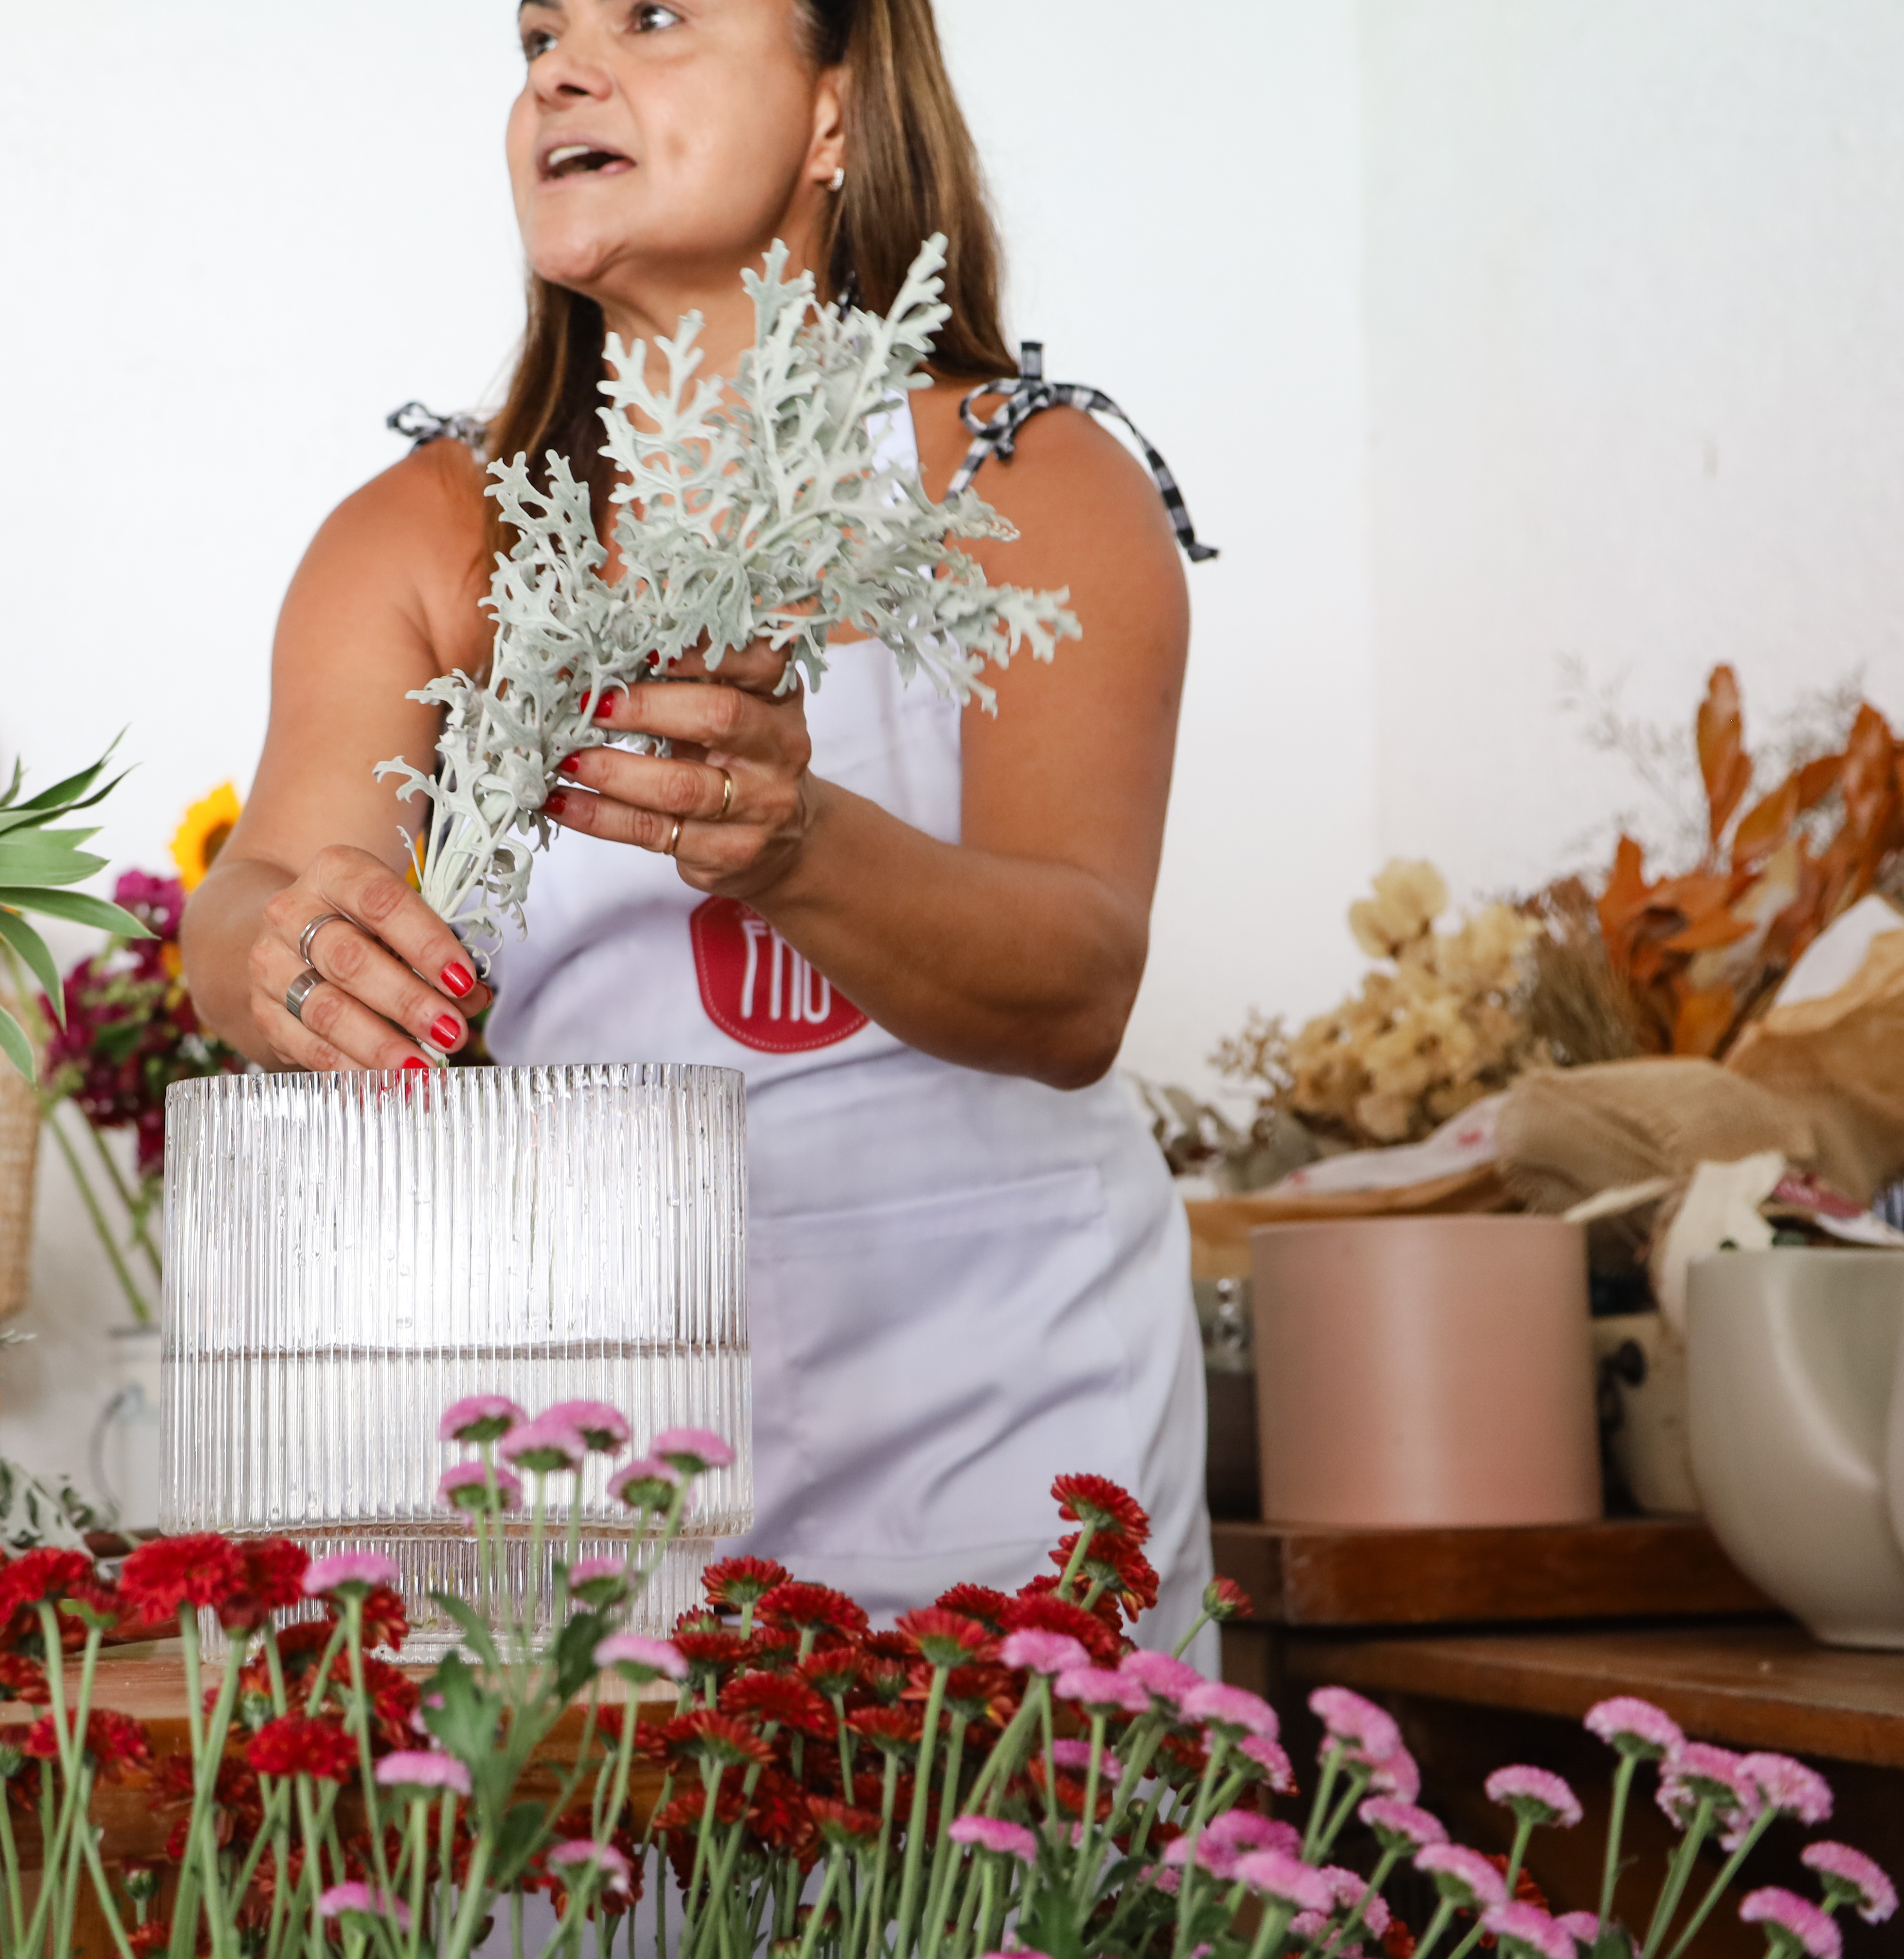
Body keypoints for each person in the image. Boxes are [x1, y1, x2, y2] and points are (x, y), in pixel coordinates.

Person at [181, 0, 1213, 1637]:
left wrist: (798, 843)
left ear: (836, 112)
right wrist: (290, 956)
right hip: (594, 1426)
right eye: (539, 33)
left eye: (654, 16)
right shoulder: (420, 536)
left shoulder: (1027, 480)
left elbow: (1078, 991)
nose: (560, 70)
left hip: (1008, 1417)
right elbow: (257, 893)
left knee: (1001, 1812)